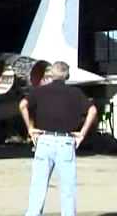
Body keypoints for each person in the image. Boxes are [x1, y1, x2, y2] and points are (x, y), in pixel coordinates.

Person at [19, 61, 97, 216]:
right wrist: (81, 133)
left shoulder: (40, 91)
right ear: (67, 75)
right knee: (68, 189)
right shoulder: (75, 93)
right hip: (65, 142)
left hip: (44, 140)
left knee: (38, 187)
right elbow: (93, 110)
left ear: (51, 74)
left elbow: (23, 105)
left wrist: (30, 129)